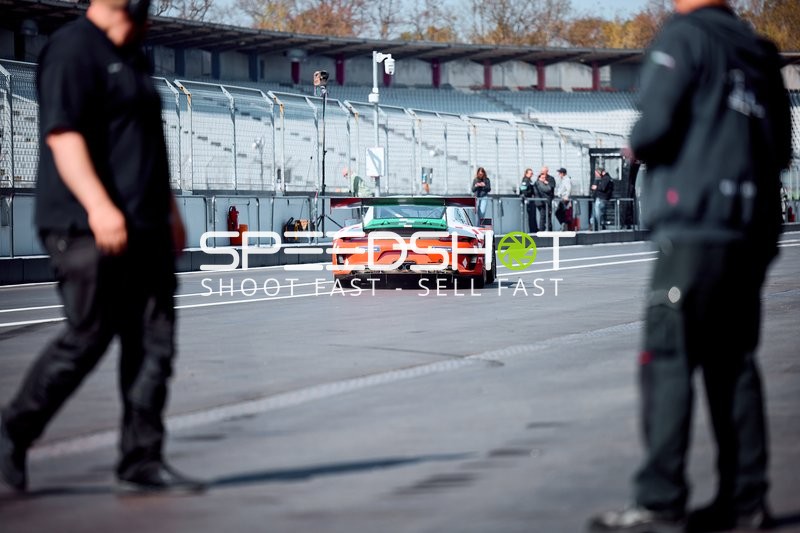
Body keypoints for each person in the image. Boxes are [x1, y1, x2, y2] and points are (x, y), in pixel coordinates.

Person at [588, 0, 791, 531]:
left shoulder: (684, 37)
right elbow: (780, 150)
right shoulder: (759, 53)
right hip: (749, 227)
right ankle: (745, 501)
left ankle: (660, 499)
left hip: (696, 225)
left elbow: (654, 127)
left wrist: (634, 145)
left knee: (668, 358)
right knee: (733, 364)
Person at [0, 0, 205, 494]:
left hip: (147, 226)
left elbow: (147, 143)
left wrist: (172, 212)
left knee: (154, 344)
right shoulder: (72, 50)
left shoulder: (134, 55)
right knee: (89, 335)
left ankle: (141, 459)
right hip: (85, 222)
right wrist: (98, 205)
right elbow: (63, 135)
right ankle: (13, 430)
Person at [534, 166, 556, 231]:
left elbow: (552, 187)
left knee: (548, 215)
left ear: (547, 171)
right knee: (543, 216)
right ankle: (542, 230)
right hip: (542, 201)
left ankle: (548, 229)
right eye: (542, 172)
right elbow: (547, 189)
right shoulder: (539, 181)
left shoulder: (551, 178)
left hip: (548, 200)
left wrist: (547, 183)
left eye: (543, 172)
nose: (542, 173)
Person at [519, 168, 538, 233]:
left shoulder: (530, 180)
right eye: (530, 173)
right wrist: (527, 195)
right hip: (528, 200)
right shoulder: (525, 180)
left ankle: (534, 229)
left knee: (533, 216)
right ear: (526, 173)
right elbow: (523, 190)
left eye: (532, 173)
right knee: (531, 216)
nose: (531, 174)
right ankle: (532, 230)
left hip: (531, 200)